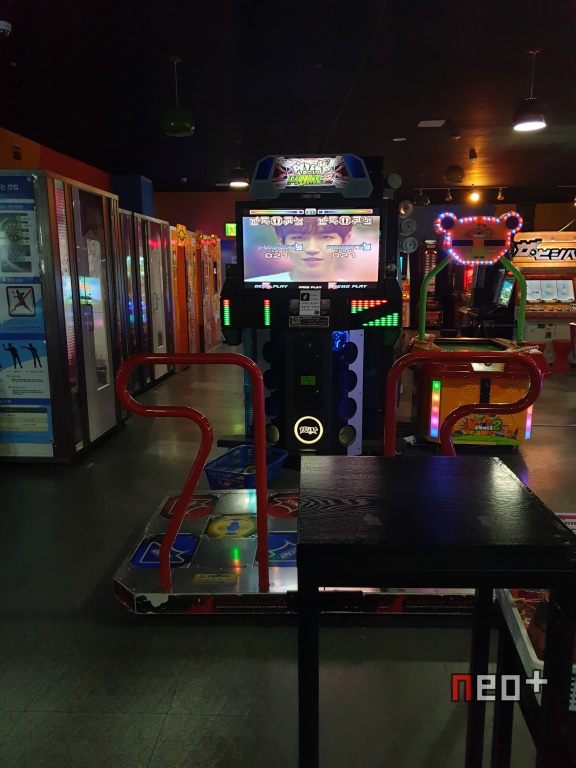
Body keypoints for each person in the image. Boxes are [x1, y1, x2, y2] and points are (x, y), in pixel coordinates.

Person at [245, 218, 353, 283]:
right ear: (281, 240)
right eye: (298, 238)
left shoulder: (353, 289)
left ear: (345, 240)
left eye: (325, 237)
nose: (312, 249)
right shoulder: (255, 284)